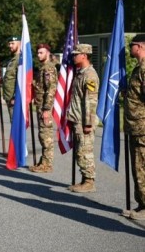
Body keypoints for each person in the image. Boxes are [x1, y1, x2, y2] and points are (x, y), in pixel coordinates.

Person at [67, 44, 99, 193]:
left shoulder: (90, 75)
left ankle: (89, 181)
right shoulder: (80, 73)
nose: (73, 57)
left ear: (84, 56)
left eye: (76, 54)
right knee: (81, 150)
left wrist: (88, 123)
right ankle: (84, 179)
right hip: (77, 118)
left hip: (84, 121)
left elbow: (91, 101)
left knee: (85, 151)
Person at [123, 34, 145, 220]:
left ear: (139, 46)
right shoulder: (138, 68)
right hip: (135, 127)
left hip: (143, 129)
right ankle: (141, 204)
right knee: (137, 167)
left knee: (142, 167)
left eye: (131, 46)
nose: (129, 49)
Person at [29, 43, 57, 173]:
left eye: (41, 52)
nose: (39, 55)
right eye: (38, 53)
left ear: (48, 53)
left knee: (46, 136)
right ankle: (43, 161)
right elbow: (41, 87)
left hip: (45, 107)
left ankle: (47, 164)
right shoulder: (43, 68)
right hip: (40, 106)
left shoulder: (49, 68)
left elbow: (51, 89)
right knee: (42, 134)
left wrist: (46, 109)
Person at [2, 36, 21, 119]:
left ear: (19, 43)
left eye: (13, 43)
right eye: (9, 43)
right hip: (9, 98)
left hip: (15, 99)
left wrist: (15, 96)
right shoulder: (12, 59)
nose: (10, 45)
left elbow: (20, 79)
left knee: (16, 125)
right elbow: (11, 77)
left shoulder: (20, 59)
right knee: (13, 123)